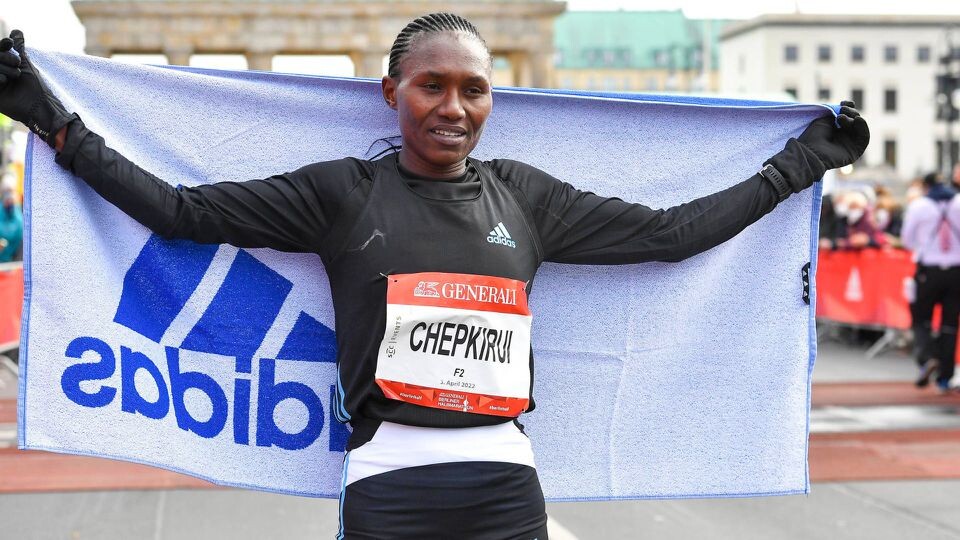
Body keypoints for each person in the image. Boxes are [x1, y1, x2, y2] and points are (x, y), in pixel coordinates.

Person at [0, 13, 869, 539]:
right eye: (432, 86)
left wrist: (802, 163)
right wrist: (51, 119)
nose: (454, 108)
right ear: (391, 92)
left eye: (474, 90)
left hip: (505, 483)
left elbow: (673, 236)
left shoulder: (525, 197)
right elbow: (180, 213)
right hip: (387, 487)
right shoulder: (340, 193)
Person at [902, 173, 960, 394]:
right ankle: (945, 377)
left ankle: (928, 357)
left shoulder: (919, 206)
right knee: (950, 324)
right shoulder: (958, 202)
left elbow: (907, 240)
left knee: (921, 318)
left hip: (929, 270)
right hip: (956, 270)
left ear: (926, 186)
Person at [0, 186, 22, 262]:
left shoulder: (18, 218)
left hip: (13, 259)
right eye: (7, 201)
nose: (9, 202)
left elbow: (19, 239)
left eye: (11, 200)